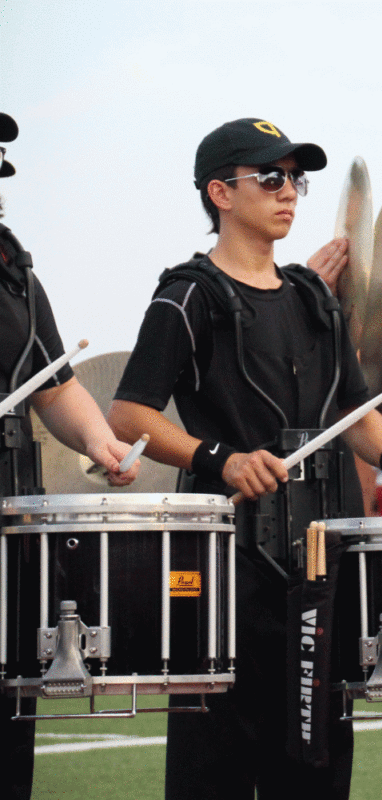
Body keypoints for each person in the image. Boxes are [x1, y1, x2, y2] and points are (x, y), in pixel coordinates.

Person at [107, 117, 382, 800]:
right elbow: (131, 414)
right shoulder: (187, 294)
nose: (290, 192)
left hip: (318, 563)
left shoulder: (312, 297)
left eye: (296, 178)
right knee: (217, 762)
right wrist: (220, 458)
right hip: (228, 571)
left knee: (316, 759)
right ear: (219, 193)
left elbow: (353, 410)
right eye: (271, 177)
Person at [0, 111, 140, 800]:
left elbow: (53, 388)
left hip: (8, 531)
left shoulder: (16, 276)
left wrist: (100, 441)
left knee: (7, 732)